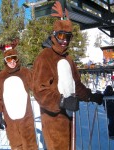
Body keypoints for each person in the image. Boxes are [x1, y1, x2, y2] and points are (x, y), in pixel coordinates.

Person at [32, 1, 103, 150]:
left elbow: (76, 84)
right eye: (61, 36)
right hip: (54, 119)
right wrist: (62, 101)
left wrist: (90, 96)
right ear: (54, 36)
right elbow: (39, 90)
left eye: (68, 37)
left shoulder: (68, 58)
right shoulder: (45, 56)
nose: (64, 40)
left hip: (70, 117)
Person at [0, 39, 38, 150]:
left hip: (26, 118)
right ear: (5, 60)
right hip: (10, 120)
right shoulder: (0, 77)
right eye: (9, 59)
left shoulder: (25, 72)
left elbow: (37, 88)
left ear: (17, 59)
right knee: (16, 145)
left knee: (30, 145)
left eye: (14, 58)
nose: (12, 62)